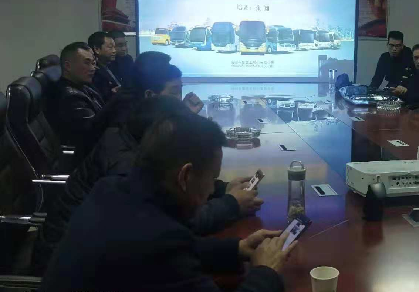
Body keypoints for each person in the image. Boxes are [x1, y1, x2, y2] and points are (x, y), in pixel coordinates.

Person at [32, 113, 295, 292]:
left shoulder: (112, 189)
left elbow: (180, 248)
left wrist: (236, 249)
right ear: (185, 176)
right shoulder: (157, 241)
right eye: (211, 179)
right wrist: (266, 271)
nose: (211, 190)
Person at [32, 96, 264, 275]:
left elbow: (169, 235)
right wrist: (231, 204)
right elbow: (179, 226)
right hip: (70, 276)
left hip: (74, 262)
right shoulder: (125, 169)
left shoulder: (125, 143)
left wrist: (222, 191)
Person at [96, 51, 204, 131]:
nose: (180, 98)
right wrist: (185, 117)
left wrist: (183, 113)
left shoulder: (134, 102)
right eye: (174, 92)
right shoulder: (130, 123)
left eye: (181, 90)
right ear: (150, 95)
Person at [46, 42, 105, 151]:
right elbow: (96, 134)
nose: (93, 68)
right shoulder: (71, 97)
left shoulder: (81, 85)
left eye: (93, 63)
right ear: (67, 66)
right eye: (87, 63)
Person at [88, 31, 121, 102]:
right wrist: (112, 93)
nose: (114, 51)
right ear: (97, 49)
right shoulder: (93, 71)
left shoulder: (114, 64)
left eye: (114, 47)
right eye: (110, 47)